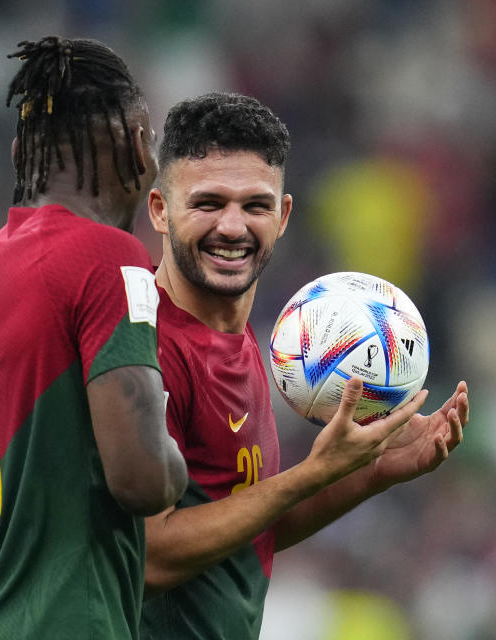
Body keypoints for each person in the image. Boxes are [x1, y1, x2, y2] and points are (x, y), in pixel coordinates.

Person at [140, 92, 470, 639]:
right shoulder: (144, 351)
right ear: (159, 210)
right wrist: (314, 472)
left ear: (284, 215)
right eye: (207, 203)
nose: (232, 227)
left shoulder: (258, 340)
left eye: (255, 206)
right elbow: (149, 558)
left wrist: (370, 472)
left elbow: (244, 528)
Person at [0, 37, 188, 639]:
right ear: (135, 149)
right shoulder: (109, 257)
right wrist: (180, 450)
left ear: (22, 154)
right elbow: (143, 478)